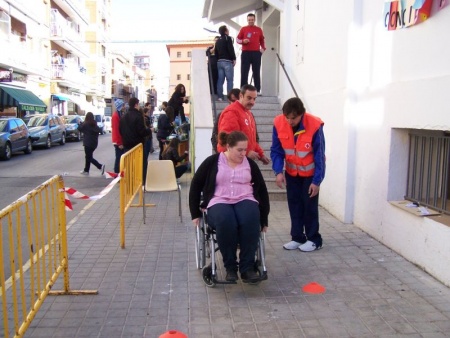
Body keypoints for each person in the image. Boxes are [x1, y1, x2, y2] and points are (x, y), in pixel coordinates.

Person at [189, 131, 269, 283]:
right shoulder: (213, 162)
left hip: (245, 198)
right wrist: (194, 213)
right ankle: (230, 268)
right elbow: (195, 185)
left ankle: (247, 268)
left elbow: (262, 190)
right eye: (240, 150)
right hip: (219, 200)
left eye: (245, 149)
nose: (243, 153)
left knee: (251, 219)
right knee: (226, 221)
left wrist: (264, 219)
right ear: (228, 147)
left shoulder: (249, 164)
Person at [270, 97, 326, 252]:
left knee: (309, 207)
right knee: (294, 205)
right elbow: (276, 150)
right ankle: (297, 237)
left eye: (293, 118)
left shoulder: (314, 125)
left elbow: (320, 155)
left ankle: (314, 239)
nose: (289, 121)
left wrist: (317, 181)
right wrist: (278, 172)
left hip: (310, 175)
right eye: (287, 117)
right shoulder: (278, 122)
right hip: (291, 173)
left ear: (302, 114)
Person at [217, 84, 269, 164]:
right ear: (241, 96)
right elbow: (227, 140)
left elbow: (252, 140)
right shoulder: (231, 112)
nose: (252, 102)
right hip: (231, 163)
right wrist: (247, 152)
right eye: (249, 98)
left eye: (254, 99)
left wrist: (261, 154)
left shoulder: (248, 113)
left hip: (242, 160)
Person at [119, 97, 152, 183]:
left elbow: (120, 130)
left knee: (129, 165)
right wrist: (149, 130)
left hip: (127, 146)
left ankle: (130, 183)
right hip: (138, 146)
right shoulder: (138, 116)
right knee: (141, 164)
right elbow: (141, 131)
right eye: (138, 104)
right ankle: (142, 182)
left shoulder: (123, 116)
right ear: (136, 105)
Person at [237, 13, 266, 94]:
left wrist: (263, 49)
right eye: (249, 20)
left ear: (254, 20)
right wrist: (243, 41)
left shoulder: (259, 29)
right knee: (244, 71)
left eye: (252, 20)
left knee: (256, 71)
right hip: (245, 52)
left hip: (256, 53)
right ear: (247, 20)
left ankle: (257, 90)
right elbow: (237, 39)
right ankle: (243, 90)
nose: (251, 21)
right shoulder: (243, 29)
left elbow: (262, 40)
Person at [211, 88, 240, 152]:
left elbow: (254, 137)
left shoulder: (247, 115)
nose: (235, 103)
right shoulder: (222, 114)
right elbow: (214, 136)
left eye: (238, 101)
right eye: (233, 100)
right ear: (229, 100)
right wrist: (220, 153)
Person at [215, 25, 236, 101]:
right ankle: (229, 97)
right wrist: (234, 58)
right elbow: (231, 49)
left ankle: (220, 97)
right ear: (225, 31)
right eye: (227, 30)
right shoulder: (228, 38)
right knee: (229, 80)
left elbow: (216, 52)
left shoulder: (218, 41)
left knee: (220, 80)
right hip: (227, 61)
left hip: (219, 62)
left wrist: (218, 59)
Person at [112, 99, 124, 174]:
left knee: (119, 157)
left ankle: (118, 173)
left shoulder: (119, 115)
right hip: (117, 142)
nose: (124, 106)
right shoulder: (116, 116)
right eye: (123, 105)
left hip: (118, 141)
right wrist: (119, 143)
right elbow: (116, 130)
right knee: (119, 158)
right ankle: (116, 173)